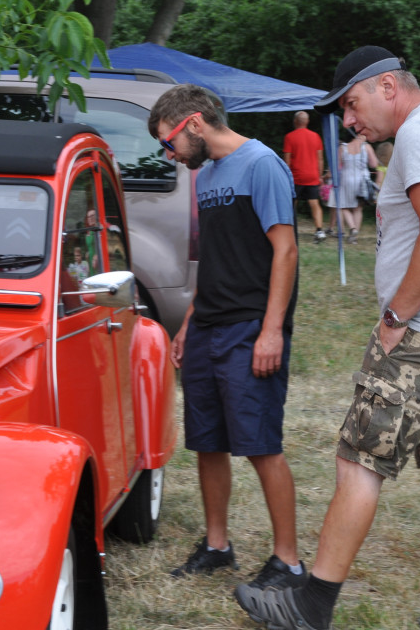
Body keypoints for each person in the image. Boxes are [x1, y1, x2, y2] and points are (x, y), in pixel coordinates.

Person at [234, 46, 420, 630]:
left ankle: (311, 606)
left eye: (353, 105)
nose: (351, 121)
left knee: (358, 462)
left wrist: (398, 319)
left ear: (388, 86)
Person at [148, 84, 306, 591]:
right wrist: (189, 322)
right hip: (208, 327)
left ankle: (289, 562)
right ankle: (218, 547)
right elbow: (215, 258)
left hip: (250, 327)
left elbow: (285, 252)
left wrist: (271, 331)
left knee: (261, 445)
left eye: (168, 142)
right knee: (208, 442)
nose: (169, 154)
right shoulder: (207, 175)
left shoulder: (262, 165)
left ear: (194, 123)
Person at [283, 110, 326, 243]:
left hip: (296, 176)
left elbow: (287, 161)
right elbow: (320, 159)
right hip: (312, 175)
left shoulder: (290, 137)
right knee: (314, 203)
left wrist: (285, 177)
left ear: (295, 122)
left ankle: (288, 230)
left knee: (291, 203)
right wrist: (320, 176)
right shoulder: (315, 136)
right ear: (307, 122)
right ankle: (319, 230)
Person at [329, 132, 379, 243]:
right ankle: (354, 237)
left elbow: (337, 166)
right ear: (359, 135)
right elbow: (374, 164)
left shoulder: (342, 148)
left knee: (343, 206)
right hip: (362, 179)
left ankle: (352, 228)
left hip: (346, 178)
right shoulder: (366, 147)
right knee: (358, 208)